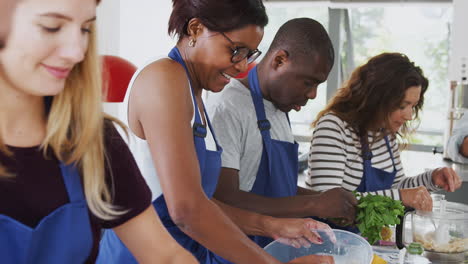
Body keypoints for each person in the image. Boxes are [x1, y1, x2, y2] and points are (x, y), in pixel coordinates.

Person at [98, 1, 335, 264]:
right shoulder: (163, 78)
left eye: (249, 54)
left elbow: (204, 202)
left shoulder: (196, 96)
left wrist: (271, 225)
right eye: (235, 50)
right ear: (196, 29)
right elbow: (187, 210)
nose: (242, 66)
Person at [0, 0, 198, 263]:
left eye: (85, 29)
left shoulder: (94, 140)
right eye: (52, 27)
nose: (76, 52)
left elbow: (166, 257)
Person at [206, 18, 357, 247]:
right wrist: (313, 205)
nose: (314, 94)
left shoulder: (278, 109)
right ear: (279, 60)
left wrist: (323, 199)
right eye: (308, 82)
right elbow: (225, 198)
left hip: (276, 247)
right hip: (237, 250)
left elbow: (278, 188)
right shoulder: (228, 107)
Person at [307, 53, 462, 214]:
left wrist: (431, 179)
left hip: (369, 236)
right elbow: (327, 203)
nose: (409, 115)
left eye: (413, 106)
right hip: (332, 236)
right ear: (376, 99)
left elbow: (396, 187)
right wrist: (400, 197)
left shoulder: (384, 134)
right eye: (402, 105)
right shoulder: (334, 127)